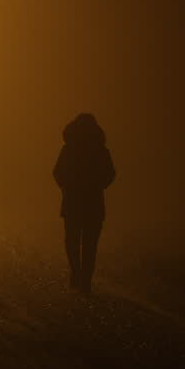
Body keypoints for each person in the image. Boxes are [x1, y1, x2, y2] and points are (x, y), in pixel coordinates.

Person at [53, 113, 115, 292]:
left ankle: (76, 273)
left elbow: (57, 173)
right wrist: (98, 186)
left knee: (72, 241)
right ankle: (85, 280)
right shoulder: (101, 150)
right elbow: (110, 174)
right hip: (93, 202)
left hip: (72, 201)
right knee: (90, 244)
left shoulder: (68, 150)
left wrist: (66, 186)